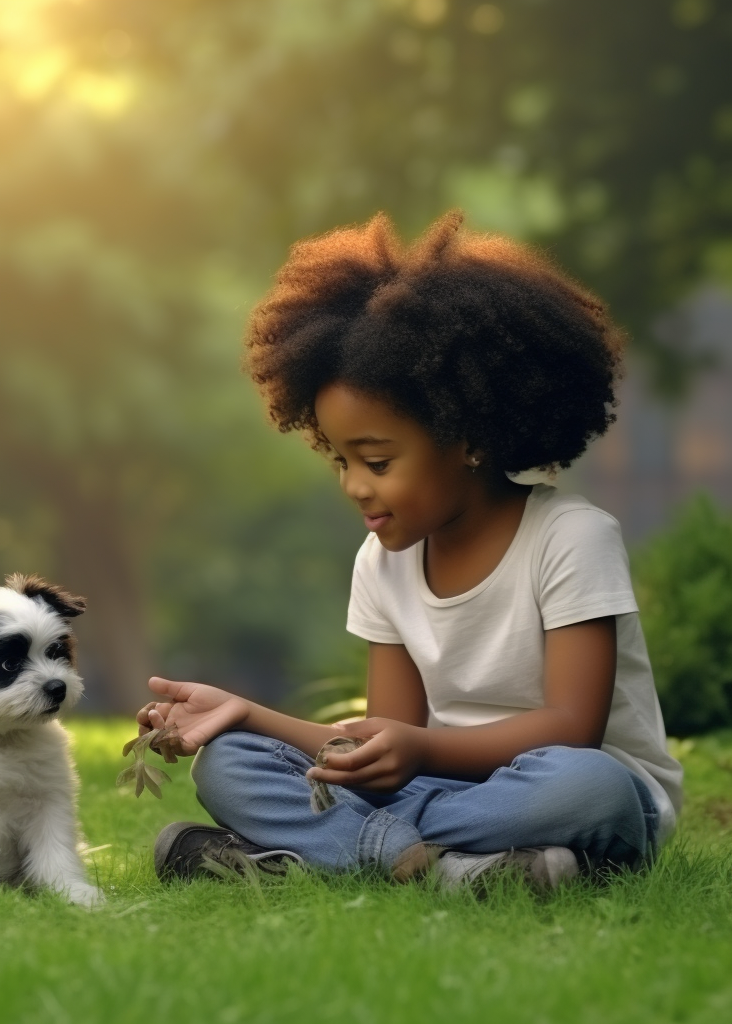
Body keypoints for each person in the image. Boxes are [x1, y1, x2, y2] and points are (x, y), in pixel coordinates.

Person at [139, 211, 683, 890]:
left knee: (589, 784)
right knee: (226, 763)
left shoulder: (572, 538)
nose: (353, 486)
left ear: (468, 437)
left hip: (566, 790)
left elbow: (572, 728)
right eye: (339, 460)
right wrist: (242, 715)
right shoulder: (383, 561)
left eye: (377, 460)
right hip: (445, 792)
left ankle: (332, 855)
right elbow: (385, 738)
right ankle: (457, 870)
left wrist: (420, 752)